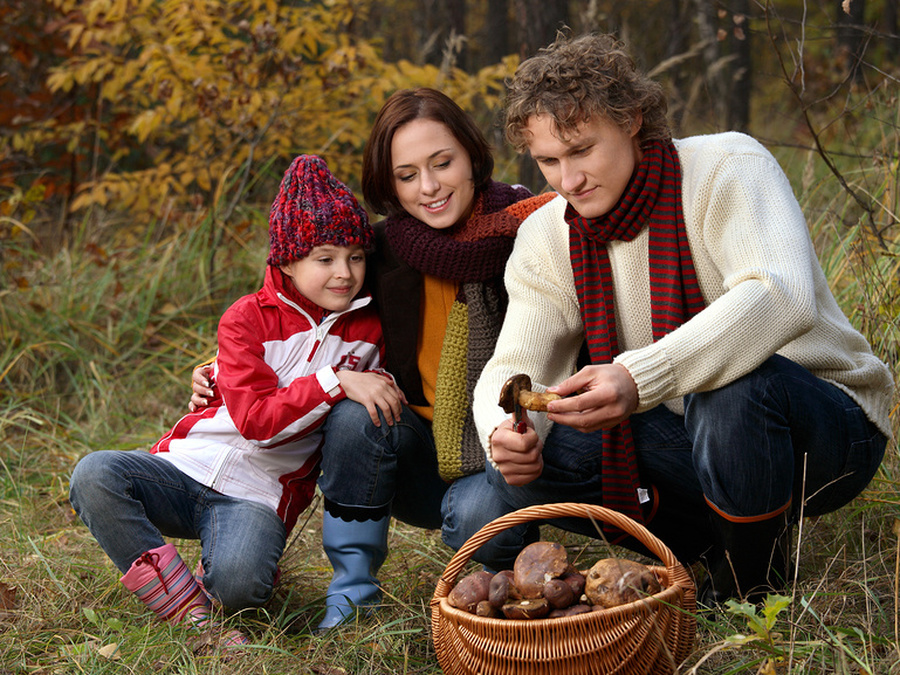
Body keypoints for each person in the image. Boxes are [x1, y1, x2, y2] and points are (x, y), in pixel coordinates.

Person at [472, 33, 893, 605]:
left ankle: (754, 592)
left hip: (823, 428)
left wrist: (639, 377)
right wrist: (503, 433)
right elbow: (517, 361)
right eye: (549, 161)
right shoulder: (547, 236)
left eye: (582, 150)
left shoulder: (727, 167)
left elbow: (781, 294)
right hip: (688, 437)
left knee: (733, 387)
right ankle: (705, 550)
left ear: (631, 118)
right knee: (538, 453)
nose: (568, 181)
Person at [190, 88, 554, 630]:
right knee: (356, 409)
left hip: (509, 447)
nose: (428, 187)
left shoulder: (534, 230)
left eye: (442, 163)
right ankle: (353, 590)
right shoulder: (377, 254)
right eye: (406, 175)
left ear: (473, 157)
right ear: (389, 185)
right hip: (411, 451)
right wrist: (220, 369)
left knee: (477, 521)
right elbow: (294, 308)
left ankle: (515, 585)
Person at [69, 154, 401, 645]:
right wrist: (335, 380)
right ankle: (187, 613)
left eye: (356, 256)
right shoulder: (247, 318)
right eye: (325, 257)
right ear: (287, 260)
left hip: (258, 496)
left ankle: (231, 569)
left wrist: (353, 380)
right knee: (94, 474)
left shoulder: (371, 331)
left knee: (240, 588)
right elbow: (256, 422)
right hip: (185, 469)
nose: (344, 273)